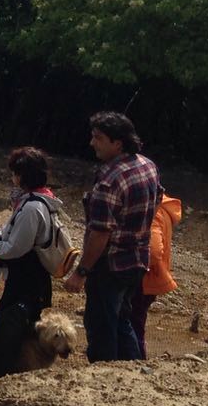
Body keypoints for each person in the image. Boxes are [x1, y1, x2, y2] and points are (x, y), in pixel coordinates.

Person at [64, 111, 162, 362]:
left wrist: (81, 272)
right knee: (121, 321)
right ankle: (133, 375)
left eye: (98, 138)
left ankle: (104, 379)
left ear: (117, 143)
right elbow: (158, 198)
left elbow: (100, 233)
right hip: (137, 260)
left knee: (101, 328)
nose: (91, 143)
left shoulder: (109, 182)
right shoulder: (147, 165)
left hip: (112, 265)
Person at [0, 147, 61, 379]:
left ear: (21, 175)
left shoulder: (32, 207)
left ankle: (1, 374)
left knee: (6, 334)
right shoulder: (34, 201)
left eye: (15, 173)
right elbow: (9, 231)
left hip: (27, 282)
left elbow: (15, 248)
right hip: (27, 281)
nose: (12, 177)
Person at [132, 193, 183, 358]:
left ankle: (134, 363)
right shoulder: (163, 207)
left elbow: (153, 252)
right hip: (152, 279)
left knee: (133, 326)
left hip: (143, 280)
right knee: (137, 324)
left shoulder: (154, 212)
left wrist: (132, 266)